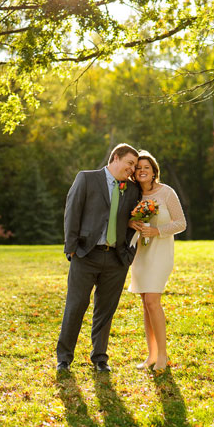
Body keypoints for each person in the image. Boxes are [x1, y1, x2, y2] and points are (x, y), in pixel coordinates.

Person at [56, 143, 141, 373]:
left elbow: (136, 220)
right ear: (115, 157)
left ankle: (100, 358)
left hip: (116, 259)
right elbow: (72, 212)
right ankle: (64, 358)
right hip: (86, 254)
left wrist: (128, 253)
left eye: (134, 165)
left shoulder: (132, 190)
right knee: (75, 306)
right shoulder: (86, 179)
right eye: (130, 163)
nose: (132, 169)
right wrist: (71, 248)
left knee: (106, 310)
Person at [128, 151, 187, 372]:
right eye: (138, 167)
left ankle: (162, 355)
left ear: (154, 171)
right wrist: (132, 224)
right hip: (140, 254)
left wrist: (157, 230)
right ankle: (151, 355)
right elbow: (126, 220)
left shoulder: (166, 193)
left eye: (146, 167)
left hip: (160, 252)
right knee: (146, 304)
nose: (142, 170)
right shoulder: (132, 195)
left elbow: (181, 223)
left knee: (153, 300)